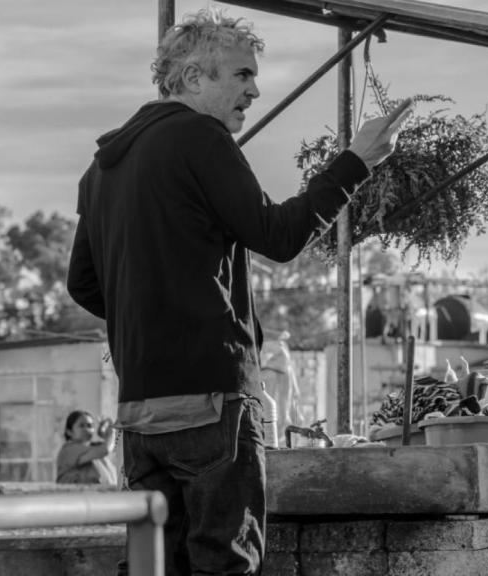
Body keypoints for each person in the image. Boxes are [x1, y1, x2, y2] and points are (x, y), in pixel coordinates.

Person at [66, 8, 412, 574]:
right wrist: (356, 161)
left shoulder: (102, 166)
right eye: (242, 75)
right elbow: (278, 236)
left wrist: (150, 323)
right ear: (192, 77)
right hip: (211, 403)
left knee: (154, 565)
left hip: (140, 412)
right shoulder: (200, 137)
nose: (254, 90)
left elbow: (82, 282)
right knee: (226, 564)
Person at [56, 410, 118, 485]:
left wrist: (105, 435)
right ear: (69, 432)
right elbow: (105, 449)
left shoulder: (94, 449)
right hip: (75, 492)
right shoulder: (68, 450)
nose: (86, 429)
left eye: (90, 426)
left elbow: (109, 447)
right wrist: (111, 431)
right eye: (81, 426)